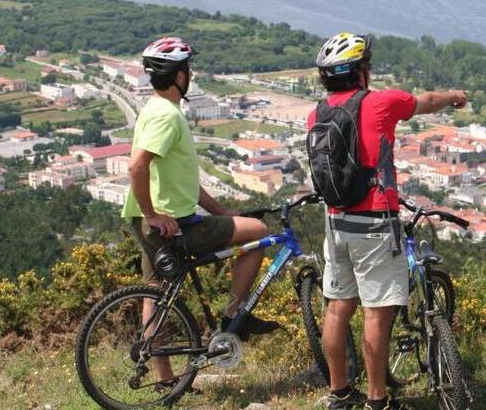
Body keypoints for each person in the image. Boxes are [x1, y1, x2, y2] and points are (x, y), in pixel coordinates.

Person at [308, 33, 467, 410]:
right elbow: (426, 102)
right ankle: (378, 400)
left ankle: (340, 394)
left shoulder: (317, 113)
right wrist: (453, 96)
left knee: (337, 308)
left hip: (335, 221)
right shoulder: (381, 102)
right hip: (375, 223)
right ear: (362, 71)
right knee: (377, 314)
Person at [121, 36, 280, 387]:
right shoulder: (168, 116)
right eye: (187, 68)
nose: (190, 73)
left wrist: (222, 211)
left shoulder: (155, 108)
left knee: (157, 292)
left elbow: (184, 182)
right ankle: (235, 313)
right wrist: (153, 215)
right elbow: (137, 167)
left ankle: (164, 381)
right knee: (258, 232)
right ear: (178, 76)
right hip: (169, 223)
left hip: (154, 219)